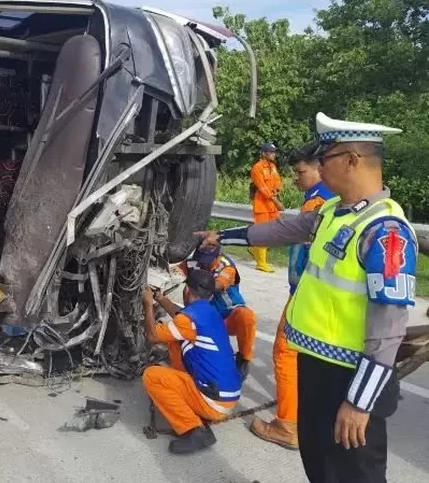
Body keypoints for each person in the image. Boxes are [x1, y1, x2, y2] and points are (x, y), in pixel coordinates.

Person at [196, 113, 417, 483]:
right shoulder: (334, 212)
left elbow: (388, 330)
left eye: (324, 158)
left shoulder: (385, 233)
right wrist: (224, 236)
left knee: (354, 475)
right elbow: (285, 228)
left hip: (350, 379)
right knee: (320, 468)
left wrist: (359, 403)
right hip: (316, 367)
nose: (318, 167)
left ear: (351, 159)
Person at [249, 143, 336, 450]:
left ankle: (287, 425)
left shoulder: (318, 204)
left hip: (306, 291)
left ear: (321, 169)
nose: (296, 178)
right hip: (320, 292)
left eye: (301, 172)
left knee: (285, 352)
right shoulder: (327, 197)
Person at [142, 267, 242, 455]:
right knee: (175, 343)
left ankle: (194, 430)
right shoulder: (210, 312)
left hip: (215, 402)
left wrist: (148, 304)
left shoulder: (188, 320)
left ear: (187, 290)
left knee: (152, 376)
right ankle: (191, 397)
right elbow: (182, 315)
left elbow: (153, 336)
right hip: (228, 395)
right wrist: (161, 299)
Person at [174, 245, 257, 380]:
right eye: (201, 260)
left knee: (246, 316)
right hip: (204, 316)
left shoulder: (227, 267)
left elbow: (218, 285)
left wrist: (196, 280)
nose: (204, 264)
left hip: (226, 316)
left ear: (218, 256)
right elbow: (176, 271)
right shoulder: (195, 261)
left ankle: (244, 358)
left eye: (208, 261)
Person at [249, 142, 285, 272]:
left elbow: (277, 181)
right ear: (263, 153)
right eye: (271, 152)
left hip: (272, 204)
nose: (273, 154)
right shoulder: (257, 168)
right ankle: (261, 263)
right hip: (262, 205)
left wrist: (277, 190)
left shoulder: (273, 166)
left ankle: (254, 249)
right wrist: (276, 201)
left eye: (274, 152)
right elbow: (262, 188)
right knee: (263, 232)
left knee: (274, 230)